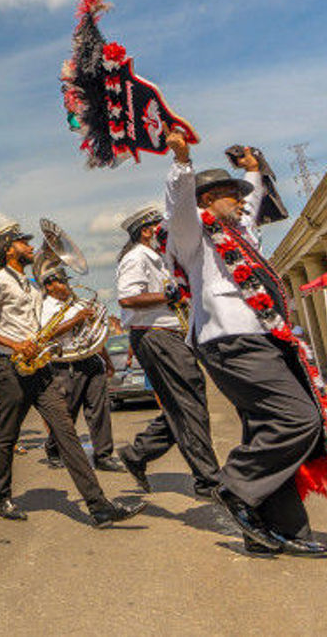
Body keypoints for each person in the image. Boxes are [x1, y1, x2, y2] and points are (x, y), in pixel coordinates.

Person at [161, 131, 327, 556]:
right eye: (231, 195)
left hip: (264, 337)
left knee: (268, 427)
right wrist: (182, 160)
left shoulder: (241, 233)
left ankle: (277, 532)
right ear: (207, 201)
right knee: (298, 419)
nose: (242, 203)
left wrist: (252, 172)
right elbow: (179, 207)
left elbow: (254, 202)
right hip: (230, 340)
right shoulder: (193, 239)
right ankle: (236, 485)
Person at [0, 222, 145, 527]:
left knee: (66, 431)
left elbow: (39, 326)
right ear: (10, 249)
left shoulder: (32, 285)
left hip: (39, 366)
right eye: (24, 242)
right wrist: (14, 344)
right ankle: (2, 496)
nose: (30, 245)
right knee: (8, 434)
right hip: (10, 366)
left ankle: (98, 505)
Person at [114, 205, 221, 497]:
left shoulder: (156, 258)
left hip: (166, 336)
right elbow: (127, 298)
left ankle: (138, 454)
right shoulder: (137, 257)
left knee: (183, 402)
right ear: (147, 230)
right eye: (159, 226)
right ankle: (208, 478)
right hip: (155, 335)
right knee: (188, 402)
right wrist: (167, 296)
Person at [38, 268, 124, 473]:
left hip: (91, 360)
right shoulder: (45, 307)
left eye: (66, 281)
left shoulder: (77, 303)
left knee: (99, 410)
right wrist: (76, 319)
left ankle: (103, 455)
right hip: (65, 364)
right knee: (66, 413)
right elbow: (45, 334)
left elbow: (91, 334)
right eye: (61, 282)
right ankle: (53, 448)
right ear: (49, 286)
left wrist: (107, 361)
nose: (66, 286)